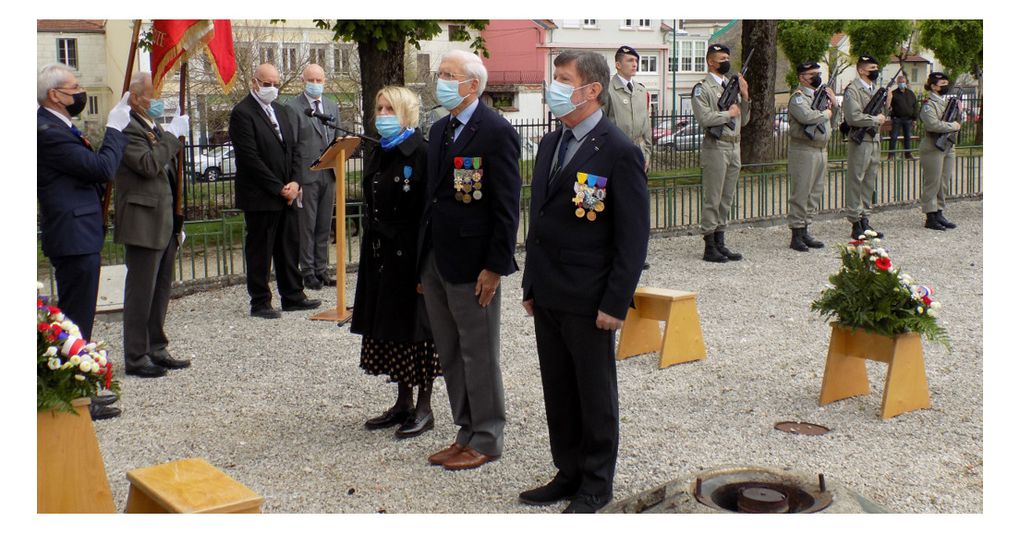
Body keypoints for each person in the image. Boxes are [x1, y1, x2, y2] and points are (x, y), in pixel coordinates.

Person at [519, 50, 649, 513]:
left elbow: (632, 239)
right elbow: (540, 221)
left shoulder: (618, 150)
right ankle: (567, 470)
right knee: (558, 387)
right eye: (554, 77)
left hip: (590, 297)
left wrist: (616, 301)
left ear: (591, 90)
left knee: (594, 392)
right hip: (550, 291)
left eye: (563, 79)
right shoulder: (552, 144)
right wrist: (531, 284)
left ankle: (596, 482)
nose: (553, 87)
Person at [418, 49, 521, 471]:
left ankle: (488, 436)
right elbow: (433, 200)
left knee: (479, 351)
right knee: (451, 351)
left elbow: (506, 206)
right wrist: (423, 264)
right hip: (438, 261)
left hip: (475, 263)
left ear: (473, 85)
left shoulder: (495, 131)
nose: (440, 80)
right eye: (439, 73)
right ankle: (465, 431)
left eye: (449, 75)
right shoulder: (441, 129)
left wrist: (496, 266)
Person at [37, 63, 131, 420]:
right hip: (72, 236)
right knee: (75, 318)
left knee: (79, 317)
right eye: (74, 87)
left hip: (80, 231)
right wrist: (115, 130)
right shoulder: (47, 130)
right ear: (54, 95)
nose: (80, 93)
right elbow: (101, 169)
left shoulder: (59, 125)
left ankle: (82, 389)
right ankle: (76, 396)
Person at [352, 86, 440, 439]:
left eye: (390, 108)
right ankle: (402, 401)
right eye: (379, 108)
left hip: (410, 254)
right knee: (391, 326)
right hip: (380, 253)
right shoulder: (379, 152)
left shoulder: (422, 153)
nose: (383, 115)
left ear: (406, 113)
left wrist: (425, 267)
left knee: (418, 329)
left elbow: (427, 215)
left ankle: (424, 406)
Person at [113, 71, 192, 378]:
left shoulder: (152, 125)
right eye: (152, 94)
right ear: (135, 98)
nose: (157, 100)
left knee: (160, 290)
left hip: (164, 219)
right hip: (143, 220)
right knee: (141, 291)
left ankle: (156, 346)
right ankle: (136, 355)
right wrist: (172, 137)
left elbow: (167, 172)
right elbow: (147, 165)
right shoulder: (126, 127)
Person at [228, 63, 320, 319]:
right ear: (254, 82)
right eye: (267, 84)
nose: (272, 89)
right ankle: (260, 301)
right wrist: (278, 188)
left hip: (288, 193)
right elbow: (250, 159)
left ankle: (293, 295)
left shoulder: (281, 111)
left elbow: (294, 149)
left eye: (276, 84)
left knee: (289, 245)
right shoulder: (242, 113)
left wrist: (295, 181)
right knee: (260, 249)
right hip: (261, 196)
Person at [692, 43, 749, 263]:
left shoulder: (731, 86)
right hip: (716, 147)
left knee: (727, 197)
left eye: (727, 57)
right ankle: (709, 245)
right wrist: (727, 114)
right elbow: (705, 118)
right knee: (713, 197)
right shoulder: (702, 88)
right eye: (722, 57)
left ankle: (720, 240)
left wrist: (745, 96)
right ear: (711, 61)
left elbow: (745, 119)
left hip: (734, 146)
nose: (726, 61)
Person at [284, 63, 339, 290]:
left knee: (324, 224)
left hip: (329, 173)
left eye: (320, 80)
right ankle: (307, 271)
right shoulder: (293, 108)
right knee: (307, 226)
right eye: (312, 80)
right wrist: (296, 179)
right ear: (303, 82)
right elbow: (292, 146)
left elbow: (337, 137)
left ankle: (321, 269)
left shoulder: (332, 106)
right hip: (306, 175)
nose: (316, 84)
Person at [786, 62, 839, 252]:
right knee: (801, 192)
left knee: (814, 192)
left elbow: (834, 119)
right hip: (804, 149)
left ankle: (806, 228)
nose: (817, 77)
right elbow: (807, 117)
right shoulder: (798, 98)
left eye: (818, 73)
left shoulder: (820, 97)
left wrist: (834, 104)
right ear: (802, 78)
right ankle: (796, 233)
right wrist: (826, 112)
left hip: (820, 149)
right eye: (813, 74)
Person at [842, 55, 892, 239]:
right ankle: (855, 221)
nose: (875, 71)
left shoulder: (876, 90)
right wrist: (874, 119)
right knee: (856, 179)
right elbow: (853, 117)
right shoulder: (852, 90)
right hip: (860, 140)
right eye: (872, 67)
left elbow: (882, 117)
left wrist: (887, 106)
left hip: (874, 139)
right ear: (861, 70)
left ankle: (865, 218)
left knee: (869, 180)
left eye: (876, 67)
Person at [918, 71, 962, 231]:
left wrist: (959, 112)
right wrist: (953, 126)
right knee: (933, 181)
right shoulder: (929, 103)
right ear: (933, 86)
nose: (946, 86)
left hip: (948, 145)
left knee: (944, 181)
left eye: (946, 84)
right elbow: (933, 124)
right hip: (933, 145)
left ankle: (939, 211)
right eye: (942, 84)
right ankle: (930, 216)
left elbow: (957, 120)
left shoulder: (948, 102)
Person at [603, 45, 652, 171]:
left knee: (637, 190)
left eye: (636, 61)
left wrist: (647, 153)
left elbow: (646, 125)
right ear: (618, 65)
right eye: (630, 60)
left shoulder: (641, 91)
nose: (635, 64)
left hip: (638, 152)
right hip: (614, 152)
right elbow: (600, 125)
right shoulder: (607, 90)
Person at [888, 74, 917, 160]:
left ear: (906, 82)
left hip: (908, 119)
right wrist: (892, 113)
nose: (902, 83)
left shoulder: (911, 93)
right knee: (894, 137)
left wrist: (914, 118)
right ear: (897, 83)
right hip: (897, 119)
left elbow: (915, 106)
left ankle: (908, 154)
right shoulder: (893, 94)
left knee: (907, 137)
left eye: (903, 82)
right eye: (900, 82)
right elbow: (889, 106)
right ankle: (891, 155)